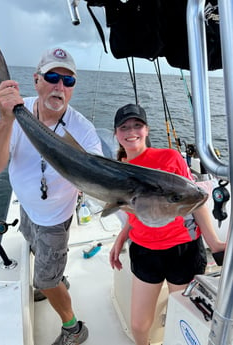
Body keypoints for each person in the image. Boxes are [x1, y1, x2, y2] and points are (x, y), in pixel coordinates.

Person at [0, 46, 103, 345]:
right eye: (52, 77)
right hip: (27, 208)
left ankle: (73, 329)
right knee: (32, 243)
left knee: (44, 279)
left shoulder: (83, 130)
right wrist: (5, 119)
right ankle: (57, 278)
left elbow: (97, 174)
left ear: (73, 89)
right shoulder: (17, 113)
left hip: (54, 220)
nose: (59, 86)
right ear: (36, 80)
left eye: (68, 81)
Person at [109, 103, 226, 345]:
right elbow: (138, 213)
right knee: (139, 325)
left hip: (182, 249)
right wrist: (121, 238)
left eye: (137, 125)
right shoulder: (116, 172)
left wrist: (214, 242)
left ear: (147, 130)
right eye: (124, 127)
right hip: (144, 251)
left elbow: (196, 200)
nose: (131, 131)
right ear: (116, 134)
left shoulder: (169, 158)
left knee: (183, 317)